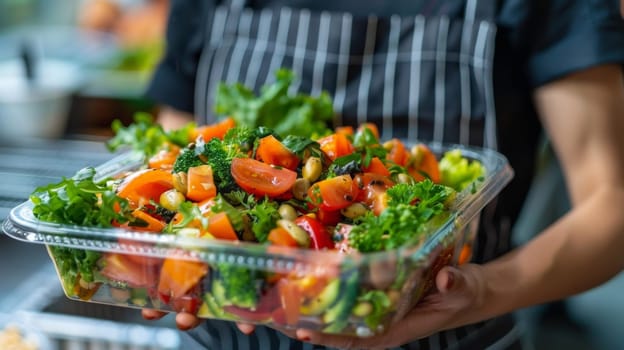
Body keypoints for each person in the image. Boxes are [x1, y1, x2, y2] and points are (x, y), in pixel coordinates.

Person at [141, 0, 624, 349]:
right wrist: (162, 259)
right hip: (230, 337)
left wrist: (480, 291)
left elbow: (612, 202)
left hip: (453, 333)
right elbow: (179, 148)